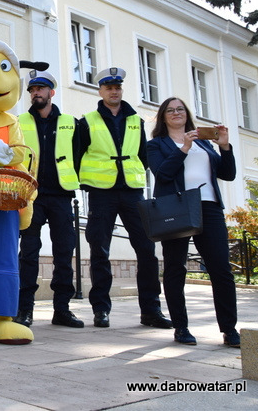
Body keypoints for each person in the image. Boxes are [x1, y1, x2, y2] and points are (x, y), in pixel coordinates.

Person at [77, 67, 171, 329]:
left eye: (117, 87)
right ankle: (101, 310)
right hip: (101, 192)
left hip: (132, 191)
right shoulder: (87, 121)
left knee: (147, 250)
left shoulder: (135, 121)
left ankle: (151, 310)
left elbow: (143, 156)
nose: (114, 91)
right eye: (109, 87)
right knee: (100, 251)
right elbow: (78, 155)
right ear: (100, 91)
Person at [147, 97, 239, 347]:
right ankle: (181, 327)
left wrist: (225, 146)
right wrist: (183, 148)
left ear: (187, 114)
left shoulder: (205, 144)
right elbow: (163, 174)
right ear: (163, 117)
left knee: (221, 269)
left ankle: (229, 330)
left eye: (180, 109)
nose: (176, 113)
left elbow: (228, 174)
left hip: (209, 207)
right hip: (177, 207)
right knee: (176, 268)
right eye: (170, 110)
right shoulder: (156, 145)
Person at [14, 70, 83, 328]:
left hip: (61, 196)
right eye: (32, 90)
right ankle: (25, 310)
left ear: (51, 92)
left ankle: (62, 309)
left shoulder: (70, 122)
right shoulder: (19, 121)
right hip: (31, 195)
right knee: (28, 253)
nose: (36, 93)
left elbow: (79, 155)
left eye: (40, 89)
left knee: (64, 253)